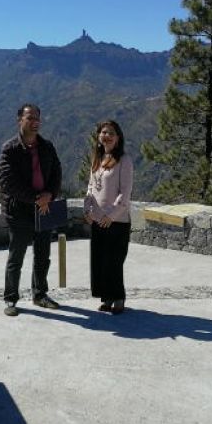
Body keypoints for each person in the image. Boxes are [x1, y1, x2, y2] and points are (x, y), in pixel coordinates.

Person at [0, 103, 62, 317]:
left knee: (43, 255)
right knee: (16, 257)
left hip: (44, 209)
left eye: (37, 118)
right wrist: (37, 198)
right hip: (19, 212)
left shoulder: (47, 146)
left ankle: (40, 294)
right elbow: (7, 183)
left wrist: (49, 196)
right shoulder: (10, 149)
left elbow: (56, 173)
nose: (34, 121)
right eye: (29, 118)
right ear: (20, 120)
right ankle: (10, 299)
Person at [83, 120, 133, 314]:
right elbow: (90, 188)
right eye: (104, 132)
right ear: (99, 136)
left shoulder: (124, 160)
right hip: (97, 220)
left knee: (114, 262)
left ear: (118, 137)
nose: (107, 136)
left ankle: (118, 298)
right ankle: (107, 298)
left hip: (117, 221)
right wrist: (87, 211)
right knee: (101, 262)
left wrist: (111, 215)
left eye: (111, 133)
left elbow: (125, 193)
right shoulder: (98, 158)